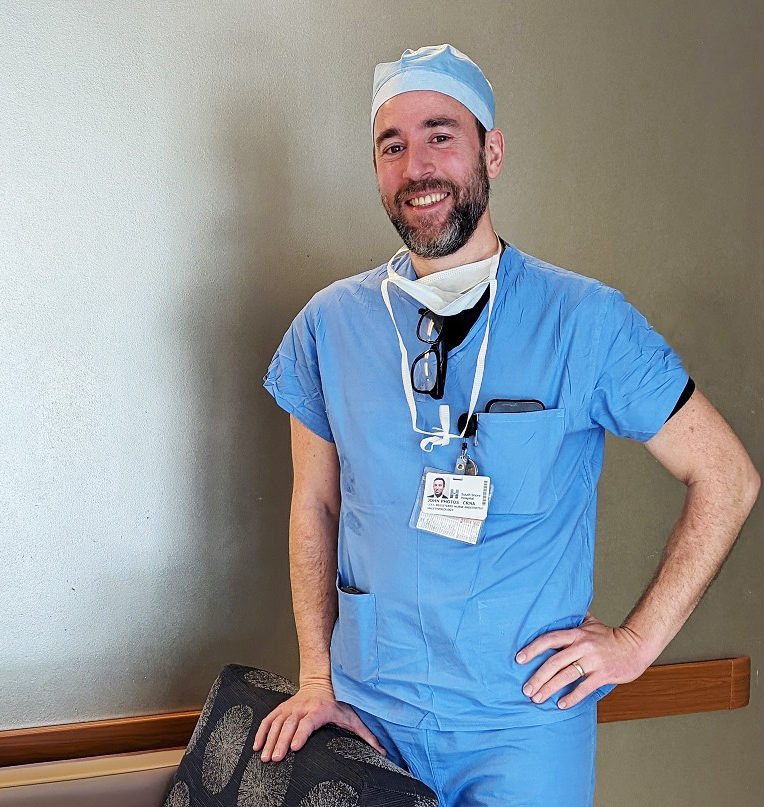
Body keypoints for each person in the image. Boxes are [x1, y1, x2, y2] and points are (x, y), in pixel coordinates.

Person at [256, 44, 758, 806]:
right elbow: (313, 505)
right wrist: (318, 677)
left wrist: (637, 643)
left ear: (490, 151)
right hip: (369, 718)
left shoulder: (584, 322)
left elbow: (727, 474)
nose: (415, 164)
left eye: (439, 134)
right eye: (391, 145)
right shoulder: (329, 327)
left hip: (522, 728)